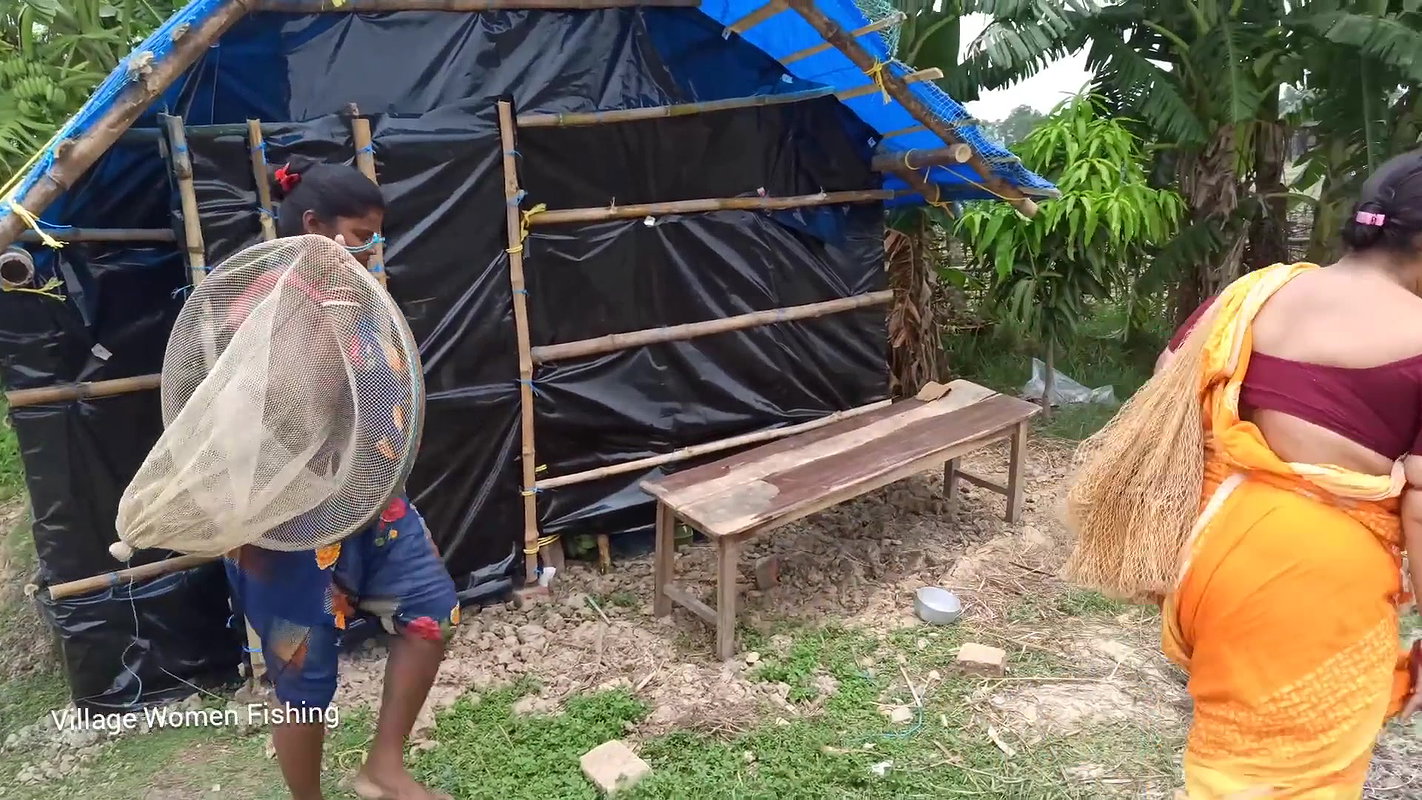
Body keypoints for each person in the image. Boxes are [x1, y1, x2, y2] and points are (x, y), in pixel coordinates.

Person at [1141, 150, 1422, 797]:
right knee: (1293, 780)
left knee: (1232, 759)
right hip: (1311, 589)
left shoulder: (1250, 294)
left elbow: (1163, 393)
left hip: (1209, 557)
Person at [224, 157, 456, 800]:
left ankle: (383, 768)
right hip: (286, 520)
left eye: (375, 238)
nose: (368, 251)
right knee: (304, 675)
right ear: (312, 226)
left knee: (431, 613)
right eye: (358, 236)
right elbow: (274, 410)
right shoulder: (258, 305)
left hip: (373, 499)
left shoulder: (355, 297)